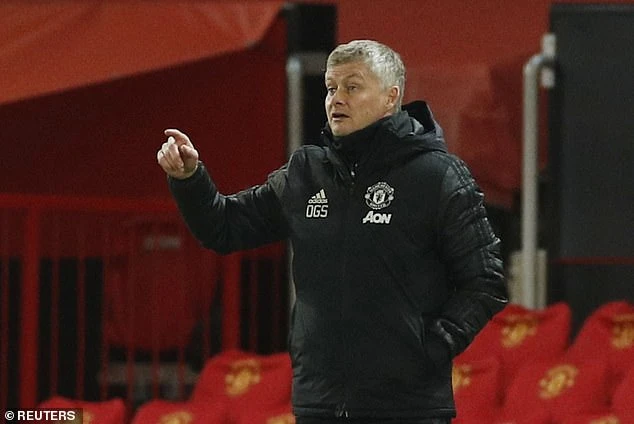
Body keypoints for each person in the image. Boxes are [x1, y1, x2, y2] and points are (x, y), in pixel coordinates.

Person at [157, 40, 507, 424]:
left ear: (391, 98)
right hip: (319, 404)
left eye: (352, 87)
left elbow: (484, 281)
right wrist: (189, 179)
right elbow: (224, 227)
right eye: (330, 88)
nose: (336, 99)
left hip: (407, 407)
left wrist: (431, 349)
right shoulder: (306, 173)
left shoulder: (436, 176)